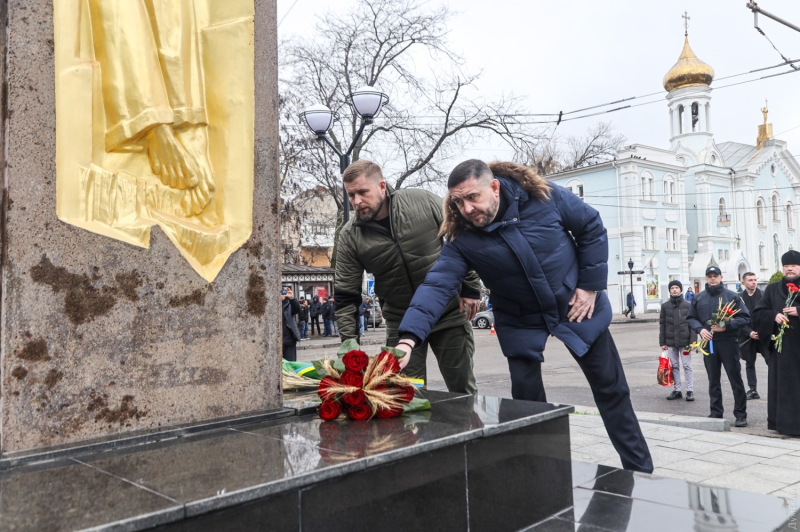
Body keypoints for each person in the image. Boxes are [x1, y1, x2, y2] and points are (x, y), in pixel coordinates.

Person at [393, 159, 652, 473]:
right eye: (458, 202)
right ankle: (541, 475)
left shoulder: (544, 196)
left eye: (473, 197)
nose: (467, 208)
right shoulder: (461, 238)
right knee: (527, 403)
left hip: (575, 303)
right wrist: (408, 340)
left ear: (494, 186)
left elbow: (591, 227)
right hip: (519, 318)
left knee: (611, 389)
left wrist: (590, 286)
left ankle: (640, 471)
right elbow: (436, 285)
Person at [334, 159, 480, 394]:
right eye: (351, 195)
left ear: (382, 186)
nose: (356, 201)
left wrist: (471, 287)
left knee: (463, 391)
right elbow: (345, 297)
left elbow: (461, 238)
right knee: (404, 397)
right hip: (401, 322)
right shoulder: (350, 237)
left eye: (362, 192)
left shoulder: (421, 201)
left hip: (449, 314)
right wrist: (350, 349)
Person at [687, 266, 750, 427]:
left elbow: (744, 317)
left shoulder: (732, 296)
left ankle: (740, 414)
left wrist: (727, 326)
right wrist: (700, 329)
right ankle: (716, 412)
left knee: (735, 379)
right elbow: (691, 318)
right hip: (709, 344)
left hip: (728, 342)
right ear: (706, 279)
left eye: (715, 276)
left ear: (721, 277)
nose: (713, 279)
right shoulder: (699, 298)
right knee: (713, 379)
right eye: (710, 276)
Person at [753, 251, 800, 435]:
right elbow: (758, 313)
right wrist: (774, 316)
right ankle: (784, 424)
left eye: (794, 266)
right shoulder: (772, 289)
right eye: (787, 266)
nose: (790, 269)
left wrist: (798, 311)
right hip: (782, 352)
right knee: (783, 387)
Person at [659, 280, 696, 401]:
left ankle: (690, 390)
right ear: (669, 290)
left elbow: (692, 325)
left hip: (685, 342)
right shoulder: (665, 306)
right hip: (670, 341)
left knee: (687, 366)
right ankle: (677, 390)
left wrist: (693, 341)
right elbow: (663, 325)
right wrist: (663, 342)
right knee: (674, 366)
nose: (674, 290)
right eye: (672, 288)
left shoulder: (688, 305)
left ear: (681, 289)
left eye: (677, 287)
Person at [740, 272, 766, 400]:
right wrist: (749, 332)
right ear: (743, 282)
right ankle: (752, 389)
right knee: (749, 363)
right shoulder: (739, 298)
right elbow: (736, 318)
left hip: (763, 336)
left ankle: (777, 386)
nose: (754, 282)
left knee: (771, 361)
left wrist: (762, 331)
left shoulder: (764, 296)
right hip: (747, 336)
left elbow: (769, 314)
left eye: (755, 280)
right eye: (750, 280)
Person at [282, 287, 301, 361]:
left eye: (284, 292)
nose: (283, 294)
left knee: (290, 364)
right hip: (276, 340)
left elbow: (297, 310)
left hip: (289, 340)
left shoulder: (289, 303)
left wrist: (292, 298)